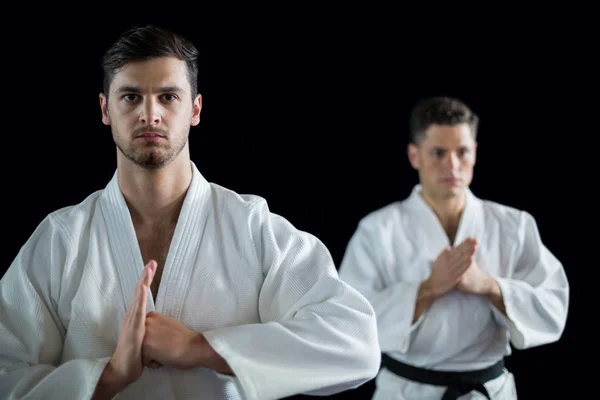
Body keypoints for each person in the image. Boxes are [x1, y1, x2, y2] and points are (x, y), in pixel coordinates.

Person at [0, 24, 381, 400]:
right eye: (131, 97)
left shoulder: (251, 227)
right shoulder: (61, 239)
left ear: (195, 109)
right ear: (105, 109)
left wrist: (200, 349)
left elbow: (355, 341)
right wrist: (110, 375)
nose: (150, 114)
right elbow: (5, 371)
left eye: (168, 97)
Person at [337, 96, 569, 399]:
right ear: (414, 155)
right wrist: (429, 288)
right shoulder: (377, 230)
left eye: (462, 152)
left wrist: (490, 287)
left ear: (475, 152)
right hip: (408, 391)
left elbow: (553, 308)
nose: (453, 165)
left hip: (488, 390)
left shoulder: (514, 225)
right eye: (438, 153)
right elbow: (347, 319)